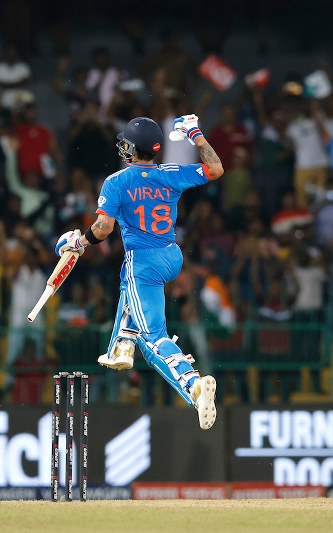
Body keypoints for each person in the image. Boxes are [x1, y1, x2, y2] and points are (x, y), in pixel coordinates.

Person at [54, 115, 224, 429]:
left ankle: (193, 384)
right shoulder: (170, 173)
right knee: (128, 284)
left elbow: (103, 229)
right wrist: (196, 135)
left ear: (132, 149)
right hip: (171, 256)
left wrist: (78, 242)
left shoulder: (117, 181)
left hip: (143, 262)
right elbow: (215, 169)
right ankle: (121, 344)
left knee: (153, 336)